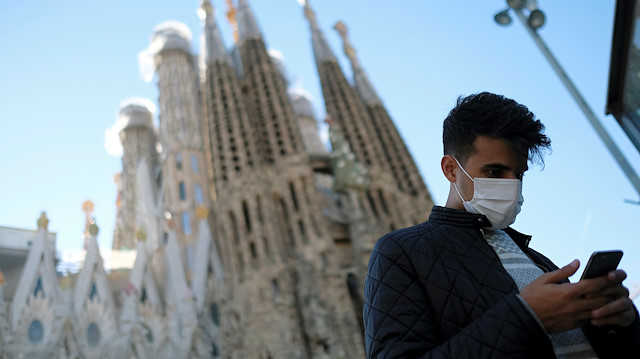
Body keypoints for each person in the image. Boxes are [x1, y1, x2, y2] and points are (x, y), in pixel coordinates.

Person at [363, 92, 640, 358]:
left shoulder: (533, 258)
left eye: (518, 174)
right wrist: (526, 318)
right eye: (494, 171)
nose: (511, 184)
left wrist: (619, 323)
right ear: (450, 169)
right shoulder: (401, 252)